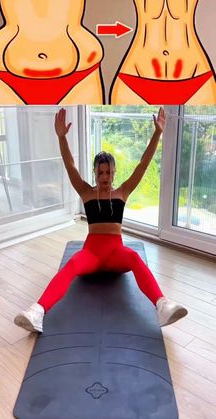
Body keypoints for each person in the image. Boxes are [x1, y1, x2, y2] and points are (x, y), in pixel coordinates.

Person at [14, 107, 188, 333]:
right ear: (95, 173)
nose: (104, 177)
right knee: (74, 263)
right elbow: (70, 166)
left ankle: (162, 305)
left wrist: (157, 134)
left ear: (114, 172)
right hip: (92, 255)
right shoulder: (86, 192)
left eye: (108, 172)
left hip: (116, 255)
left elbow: (143, 165)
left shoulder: (122, 192)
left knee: (134, 257)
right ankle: (37, 311)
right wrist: (61, 138)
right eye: (100, 173)